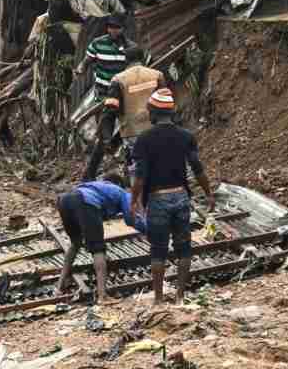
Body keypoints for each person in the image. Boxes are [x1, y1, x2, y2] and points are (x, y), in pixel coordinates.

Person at [130, 88, 215, 306]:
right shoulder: (186, 136)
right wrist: (209, 193)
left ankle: (158, 299)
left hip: (158, 199)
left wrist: (134, 201)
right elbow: (197, 168)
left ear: (154, 112)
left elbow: (140, 176)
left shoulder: (144, 139)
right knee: (183, 247)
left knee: (158, 250)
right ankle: (180, 297)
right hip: (181, 197)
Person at [55, 172, 147, 304]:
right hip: (85, 201)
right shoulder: (121, 191)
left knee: (75, 244)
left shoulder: (96, 186)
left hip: (64, 201)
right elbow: (130, 218)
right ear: (120, 184)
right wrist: (148, 229)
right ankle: (102, 296)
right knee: (98, 249)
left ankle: (58, 287)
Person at [84, 45, 162, 181]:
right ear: (142, 58)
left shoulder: (118, 80)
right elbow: (165, 102)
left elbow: (110, 110)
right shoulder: (157, 75)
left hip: (132, 131)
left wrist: (107, 136)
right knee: (159, 165)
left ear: (126, 60)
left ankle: (138, 198)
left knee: (137, 171)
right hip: (156, 129)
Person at [77, 15, 130, 181]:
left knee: (127, 134)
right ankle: (90, 174)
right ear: (108, 28)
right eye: (111, 27)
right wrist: (80, 68)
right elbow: (86, 61)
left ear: (122, 29)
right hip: (103, 96)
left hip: (122, 97)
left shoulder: (129, 47)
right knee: (103, 136)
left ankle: (129, 172)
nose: (114, 30)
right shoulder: (98, 43)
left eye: (117, 27)